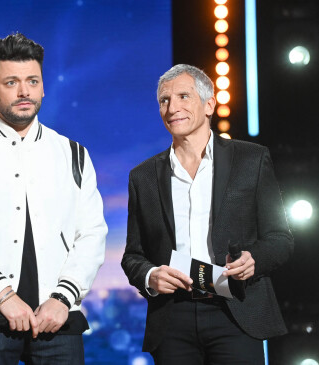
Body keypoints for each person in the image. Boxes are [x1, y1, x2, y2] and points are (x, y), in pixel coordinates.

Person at [0, 33, 107, 364]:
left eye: (32, 81)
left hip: (59, 317)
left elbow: (93, 234)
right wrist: (3, 294)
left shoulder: (73, 154)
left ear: (43, 87)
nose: (24, 91)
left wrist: (62, 298)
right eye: (11, 82)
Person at [121, 64, 293, 364]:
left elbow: (280, 239)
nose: (172, 107)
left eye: (184, 96)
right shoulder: (143, 176)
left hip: (236, 311)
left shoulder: (251, 160)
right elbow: (133, 255)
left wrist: (254, 260)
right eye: (164, 100)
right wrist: (150, 275)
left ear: (209, 104)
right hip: (173, 317)